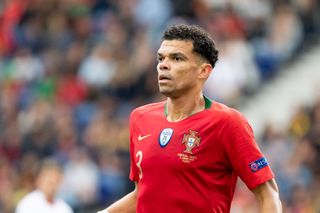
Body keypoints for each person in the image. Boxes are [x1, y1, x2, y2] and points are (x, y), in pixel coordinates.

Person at [97, 24, 282, 213]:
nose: (164, 64)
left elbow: (268, 194)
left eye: (177, 58)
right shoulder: (140, 118)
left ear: (204, 71)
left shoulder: (227, 122)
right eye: (161, 58)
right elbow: (141, 194)